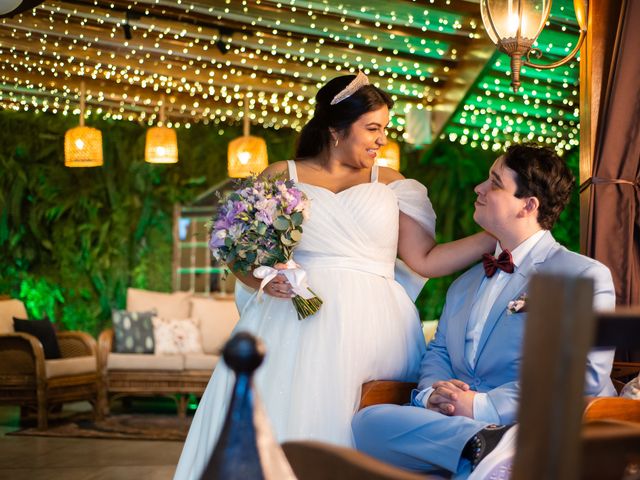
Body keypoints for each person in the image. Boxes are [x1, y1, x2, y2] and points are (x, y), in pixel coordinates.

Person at [173, 72, 496, 480]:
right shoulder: (281, 175)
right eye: (373, 128)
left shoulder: (393, 184)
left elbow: (426, 260)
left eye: (385, 129)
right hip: (294, 322)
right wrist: (262, 278)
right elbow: (237, 249)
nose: (382, 139)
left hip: (378, 327)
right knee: (290, 414)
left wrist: (495, 236)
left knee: (367, 424)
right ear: (335, 130)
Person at [351, 143, 617, 479]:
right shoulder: (464, 283)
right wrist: (434, 394)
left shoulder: (582, 274)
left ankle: (483, 451)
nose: (479, 188)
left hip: (536, 422)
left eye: (494, 182)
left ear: (528, 205)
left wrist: (482, 406)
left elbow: (583, 374)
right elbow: (440, 351)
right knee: (368, 422)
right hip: (458, 423)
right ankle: (484, 447)